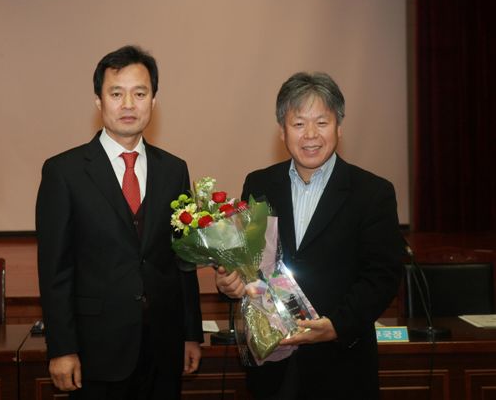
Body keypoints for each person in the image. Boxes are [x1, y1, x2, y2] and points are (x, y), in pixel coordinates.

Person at [216, 72, 404, 399]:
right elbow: (248, 265)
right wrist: (229, 282)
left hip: (342, 365)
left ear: (339, 127)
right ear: (281, 131)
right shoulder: (259, 185)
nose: (311, 135)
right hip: (272, 368)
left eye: (322, 122)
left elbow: (382, 276)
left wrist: (336, 326)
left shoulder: (372, 192)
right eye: (299, 124)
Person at [36, 45, 203, 400]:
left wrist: (191, 333)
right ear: (99, 102)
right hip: (96, 350)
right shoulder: (63, 172)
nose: (128, 104)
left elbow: (181, 260)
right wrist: (61, 348)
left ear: (153, 101)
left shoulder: (174, 169)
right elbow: (55, 271)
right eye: (116, 93)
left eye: (139, 93)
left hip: (162, 346)